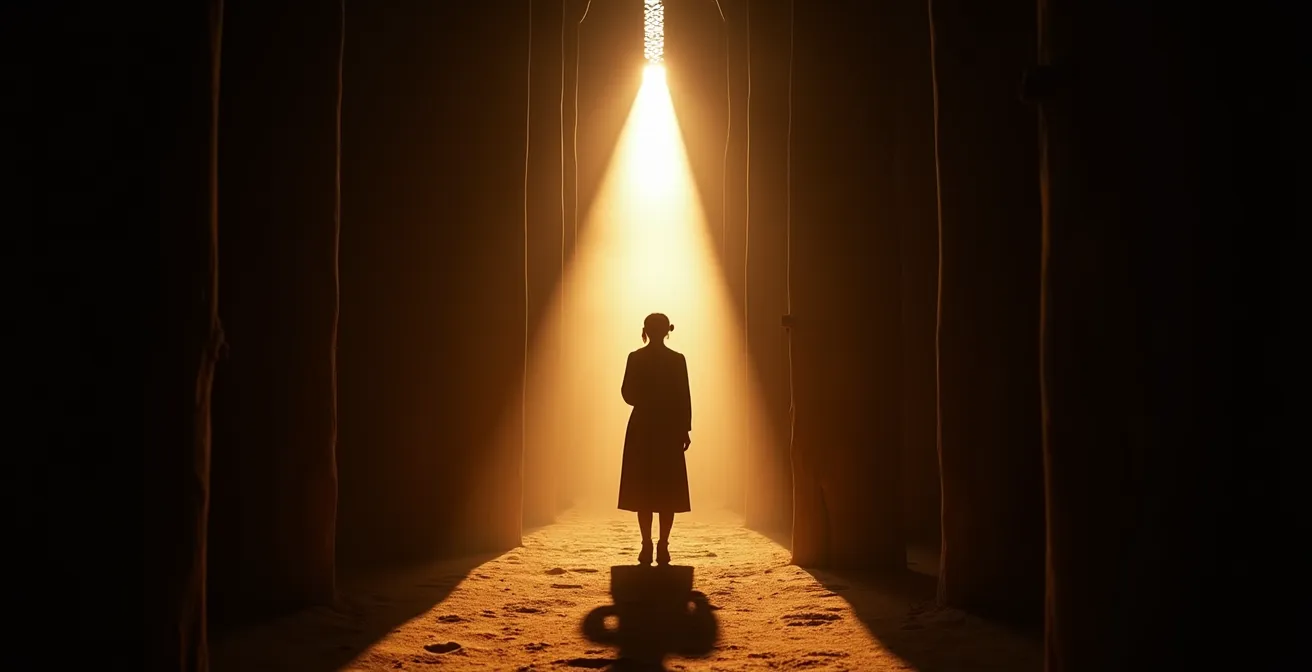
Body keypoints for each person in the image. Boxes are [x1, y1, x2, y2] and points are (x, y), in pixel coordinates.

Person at [618, 312, 692, 566]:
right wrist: (685, 428)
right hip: (669, 427)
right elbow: (684, 396)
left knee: (643, 488)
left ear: (646, 330)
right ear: (667, 331)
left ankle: (646, 544)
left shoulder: (636, 358)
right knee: (667, 488)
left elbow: (627, 393)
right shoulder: (677, 360)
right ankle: (663, 545)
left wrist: (646, 399)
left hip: (642, 426)